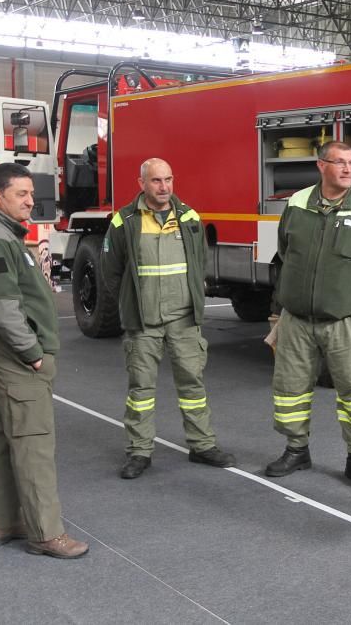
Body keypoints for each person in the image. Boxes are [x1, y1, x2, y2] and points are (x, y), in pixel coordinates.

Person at [0, 162, 88, 559]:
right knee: (34, 446)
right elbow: (2, 310)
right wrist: (34, 355)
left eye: (31, 193)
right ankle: (47, 534)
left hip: (11, 354)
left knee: (8, 441)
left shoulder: (0, 233)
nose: (30, 201)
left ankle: (5, 523)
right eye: (21, 194)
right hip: (16, 356)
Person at [264, 141, 351, 488]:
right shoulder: (296, 204)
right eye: (339, 162)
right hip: (296, 319)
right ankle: (296, 450)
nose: (347, 169)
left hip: (346, 321)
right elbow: (285, 251)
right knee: (290, 389)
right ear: (320, 165)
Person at [101, 158, 236, 480]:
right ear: (142, 183)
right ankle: (139, 451)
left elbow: (200, 260)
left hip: (183, 319)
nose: (164, 187)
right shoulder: (124, 221)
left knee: (193, 384)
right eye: (156, 181)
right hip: (143, 320)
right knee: (141, 390)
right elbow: (111, 271)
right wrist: (131, 302)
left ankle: (202, 445)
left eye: (168, 180)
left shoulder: (188, 217)